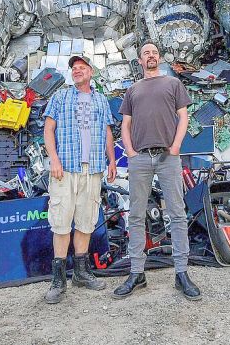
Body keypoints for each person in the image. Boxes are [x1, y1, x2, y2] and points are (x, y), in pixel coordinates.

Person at [114, 43, 201, 300]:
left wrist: (175, 147)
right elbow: (125, 124)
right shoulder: (132, 90)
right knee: (136, 216)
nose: (150, 56)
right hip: (140, 158)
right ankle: (137, 272)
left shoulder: (172, 84)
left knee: (176, 213)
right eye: (145, 53)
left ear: (158, 58)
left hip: (167, 157)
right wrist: (129, 151)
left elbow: (183, 117)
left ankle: (181, 273)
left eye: (154, 52)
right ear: (140, 60)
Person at [42, 55, 117, 304]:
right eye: (74, 68)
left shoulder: (100, 100)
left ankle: (82, 273)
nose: (77, 71)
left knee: (86, 221)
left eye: (82, 68)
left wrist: (112, 161)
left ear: (91, 72)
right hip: (66, 169)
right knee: (61, 222)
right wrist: (54, 159)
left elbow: (108, 132)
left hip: (93, 169)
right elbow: (48, 129)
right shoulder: (60, 97)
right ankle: (58, 279)